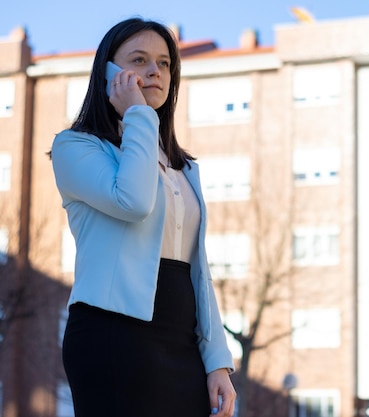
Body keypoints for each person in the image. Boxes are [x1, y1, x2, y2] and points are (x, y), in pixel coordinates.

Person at [50, 17, 236, 417]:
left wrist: (217, 359)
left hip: (180, 340)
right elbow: (133, 201)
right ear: (110, 73)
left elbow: (197, 272)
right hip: (113, 334)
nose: (155, 71)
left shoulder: (184, 169)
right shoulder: (75, 148)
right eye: (139, 59)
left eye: (165, 63)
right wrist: (137, 113)